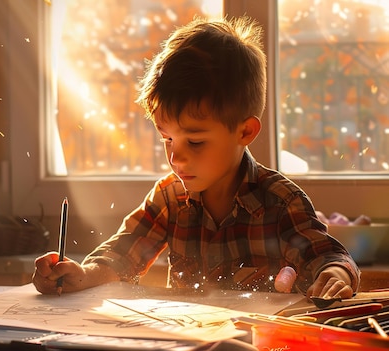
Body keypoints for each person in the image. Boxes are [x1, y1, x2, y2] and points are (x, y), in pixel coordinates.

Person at [32, 16, 360, 300]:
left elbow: (328, 257)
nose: (176, 156)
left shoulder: (279, 201)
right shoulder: (169, 197)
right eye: (167, 138)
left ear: (245, 132)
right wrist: (81, 275)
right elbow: (121, 256)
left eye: (196, 141)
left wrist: (335, 276)